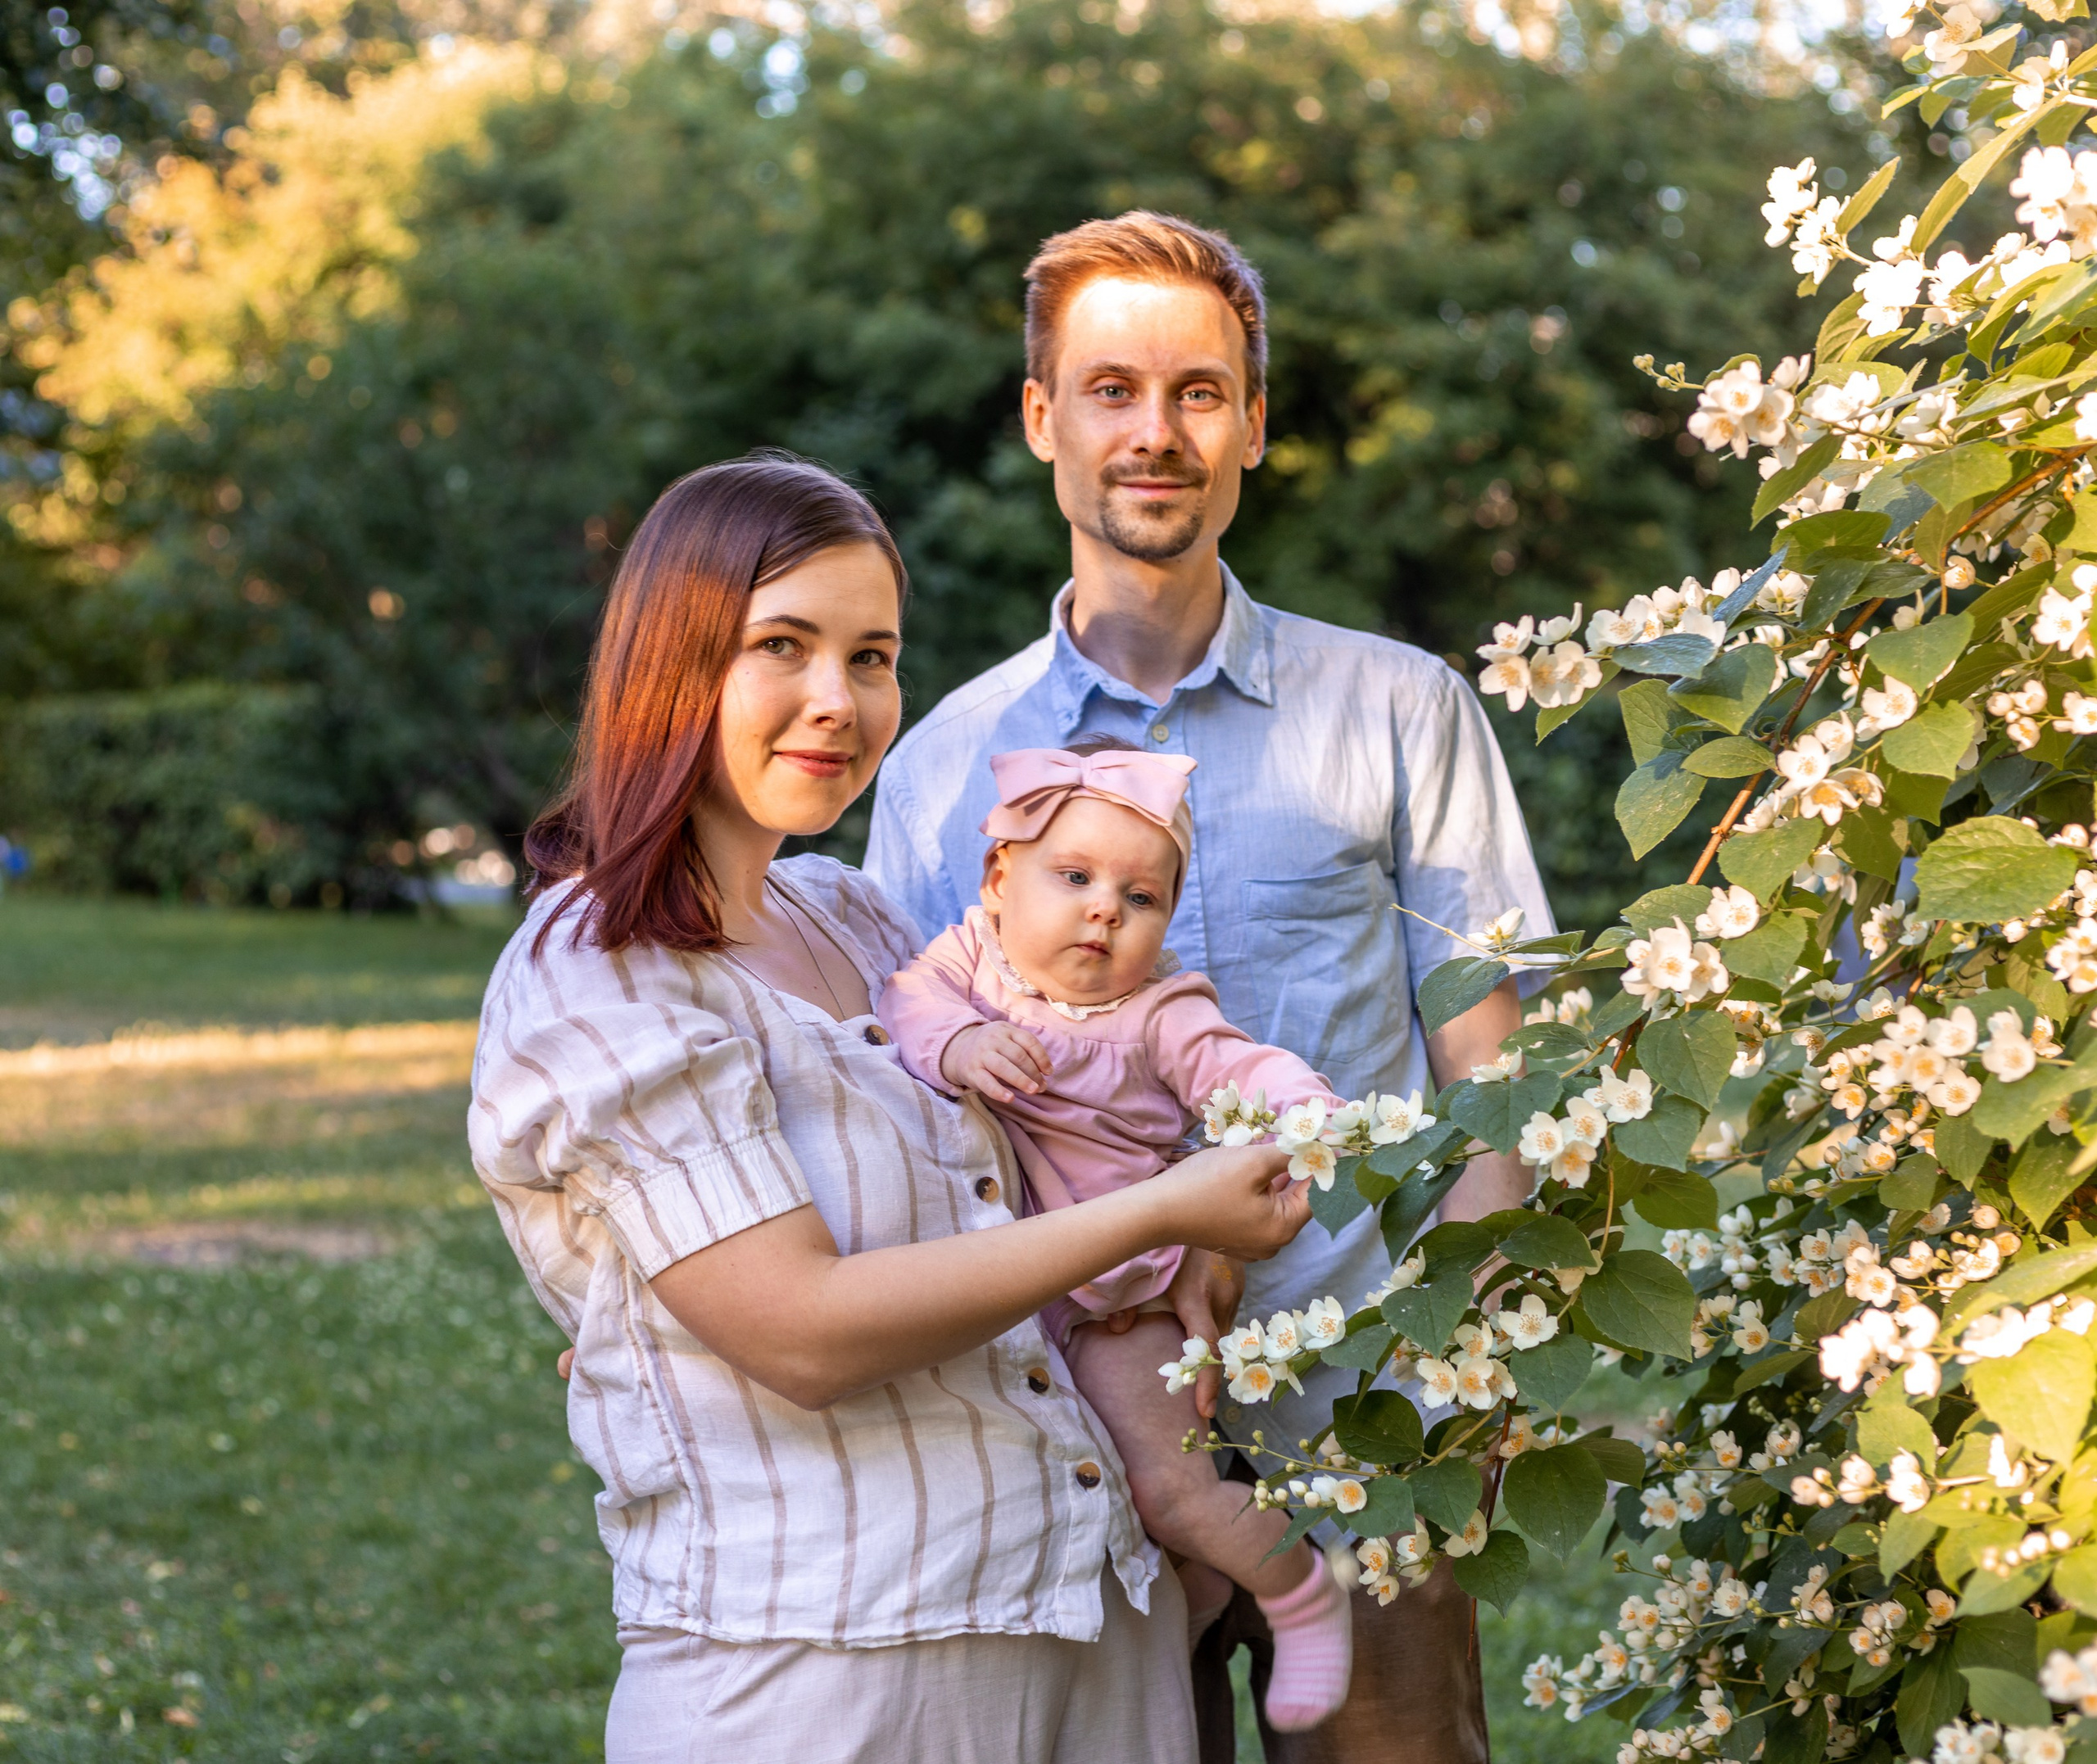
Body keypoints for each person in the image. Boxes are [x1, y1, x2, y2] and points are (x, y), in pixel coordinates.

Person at [468, 453, 1312, 1764]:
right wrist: (1162, 1212)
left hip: (1088, 1622)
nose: (837, 699)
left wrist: (1195, 1241)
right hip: (831, 1673)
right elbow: (800, 1331)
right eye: (783, 645)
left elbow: (1055, 1137)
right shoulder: (603, 974)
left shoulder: (857, 919)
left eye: (873, 657)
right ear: (671, 660)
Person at [864, 215, 1555, 1763]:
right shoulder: (940, 769)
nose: (1154, 432)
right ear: (1042, 418)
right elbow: (912, 1114)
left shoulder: (1401, 708)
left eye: (1197, 391)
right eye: (1110, 389)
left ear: (1253, 421)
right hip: (1082, 1444)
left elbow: (1496, 1070)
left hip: (1367, 1420)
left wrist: (1465, 1373)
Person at [876, 739, 1354, 1732]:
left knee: (1170, 1492)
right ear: (998, 880)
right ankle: (1201, 1591)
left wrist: (1308, 1114)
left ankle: (1301, 1592)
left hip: (1124, 1298)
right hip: (1003, 1294)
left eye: (1141, 898)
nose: (1104, 910)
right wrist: (958, 1042)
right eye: (1074, 878)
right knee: (1076, 1501)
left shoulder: (1155, 1012)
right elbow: (903, 1001)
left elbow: (1240, 1066)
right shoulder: (967, 965)